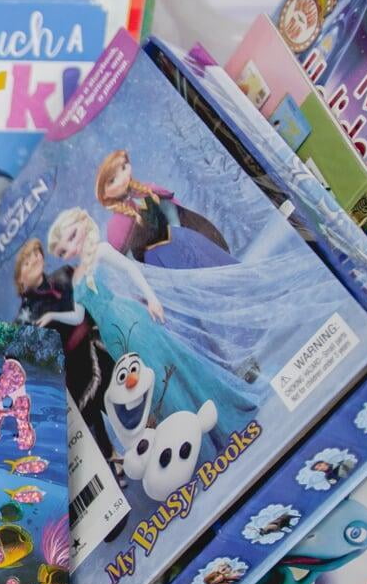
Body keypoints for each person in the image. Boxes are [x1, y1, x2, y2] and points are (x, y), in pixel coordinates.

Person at [43, 208, 259, 439]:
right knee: (149, 383)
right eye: (64, 250)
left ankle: (211, 416)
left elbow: (130, 269)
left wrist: (152, 298)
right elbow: (77, 316)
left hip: (130, 318)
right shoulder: (76, 278)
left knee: (166, 367)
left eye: (72, 236)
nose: (72, 248)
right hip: (112, 336)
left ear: (83, 225)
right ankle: (186, 434)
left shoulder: (102, 251)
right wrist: (53, 315)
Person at [14, 237, 115, 460]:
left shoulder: (64, 276)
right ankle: (110, 457)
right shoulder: (23, 320)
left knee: (118, 390)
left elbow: (86, 305)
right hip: (72, 372)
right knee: (94, 412)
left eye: (35, 254)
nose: (34, 259)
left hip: (96, 345)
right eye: (27, 261)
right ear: (20, 281)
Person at [96, 150, 236, 270]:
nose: (121, 179)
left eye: (123, 167)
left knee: (210, 264)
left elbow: (172, 213)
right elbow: (128, 260)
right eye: (112, 180)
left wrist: (177, 236)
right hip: (156, 264)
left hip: (182, 243)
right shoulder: (115, 225)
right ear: (104, 193)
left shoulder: (148, 191)